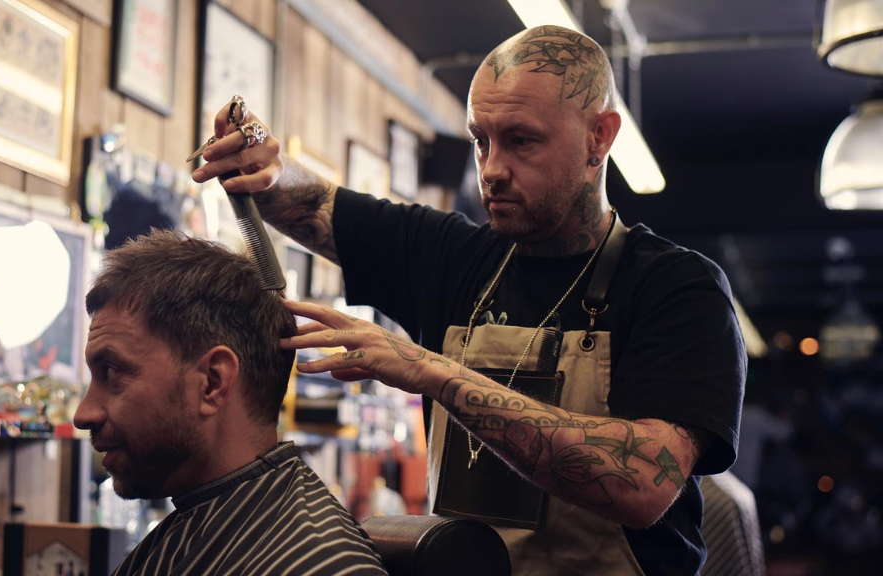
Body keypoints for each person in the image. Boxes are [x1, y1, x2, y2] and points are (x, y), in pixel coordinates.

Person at [195, 24, 746, 576]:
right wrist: (263, 170)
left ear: (599, 137)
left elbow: (643, 483)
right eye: (481, 139)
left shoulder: (677, 288)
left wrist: (433, 373)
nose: (492, 169)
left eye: (521, 140)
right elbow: (315, 204)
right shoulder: (453, 257)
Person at [72, 230, 387, 576]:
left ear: (213, 382)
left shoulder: (320, 565)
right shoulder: (185, 532)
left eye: (113, 372)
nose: (83, 414)